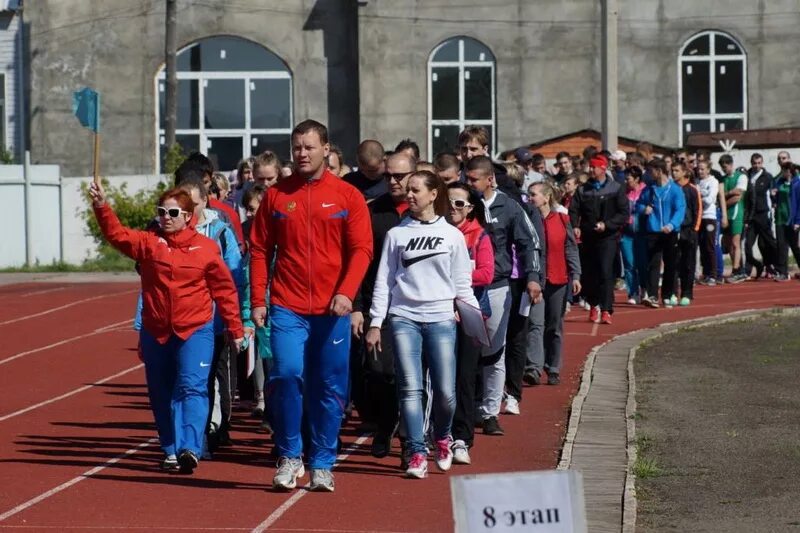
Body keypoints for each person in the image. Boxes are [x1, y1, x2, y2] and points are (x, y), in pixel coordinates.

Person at [249, 119, 372, 493]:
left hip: (332, 310)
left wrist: (347, 293)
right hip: (287, 305)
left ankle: (322, 462)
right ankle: (289, 455)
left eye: (309, 147)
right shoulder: (275, 196)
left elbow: (362, 249)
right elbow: (258, 249)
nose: (302, 153)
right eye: (297, 147)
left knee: (328, 385)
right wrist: (258, 299)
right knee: (285, 374)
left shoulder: (347, 196)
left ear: (326, 149)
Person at [89, 182, 244, 474]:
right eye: (162, 212)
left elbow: (225, 290)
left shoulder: (206, 249)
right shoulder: (149, 243)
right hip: (156, 330)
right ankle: (171, 448)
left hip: (196, 329)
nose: (166, 217)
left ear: (188, 216)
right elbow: (116, 234)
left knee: (193, 387)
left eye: (173, 212)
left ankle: (190, 447)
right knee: (162, 392)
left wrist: (235, 328)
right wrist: (101, 206)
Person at [366, 170, 479, 479]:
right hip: (404, 318)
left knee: (445, 392)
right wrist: (376, 322)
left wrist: (475, 321)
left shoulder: (452, 235)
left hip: (442, 318)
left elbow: (462, 285)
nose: (410, 194)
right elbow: (383, 281)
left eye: (416, 189)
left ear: (433, 194)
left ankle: (441, 436)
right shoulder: (396, 235)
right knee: (410, 389)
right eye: (408, 189)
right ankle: (416, 451)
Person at [464, 155, 543, 437]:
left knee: (494, 350)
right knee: (467, 349)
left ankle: (490, 412)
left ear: (489, 179)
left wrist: (533, 278)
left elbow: (529, 243)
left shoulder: (509, 206)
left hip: (498, 286)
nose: (469, 184)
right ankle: (468, 407)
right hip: (464, 287)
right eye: (467, 178)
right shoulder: (461, 204)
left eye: (474, 180)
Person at [351, 152, 415, 460]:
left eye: (400, 176)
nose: (393, 181)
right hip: (380, 307)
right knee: (378, 371)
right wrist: (357, 306)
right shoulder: (373, 213)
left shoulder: (427, 214)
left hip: (418, 308)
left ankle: (408, 438)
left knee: (410, 375)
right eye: (388, 175)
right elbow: (360, 262)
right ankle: (385, 423)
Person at [177, 179, 244, 451]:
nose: (189, 211)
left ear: (205, 201)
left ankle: (215, 429)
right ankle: (192, 438)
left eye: (193, 205)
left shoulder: (219, 232)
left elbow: (234, 277)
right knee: (188, 381)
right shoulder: (167, 234)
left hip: (214, 321)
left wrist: (239, 319)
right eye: (184, 206)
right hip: (181, 321)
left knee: (213, 379)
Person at [446, 182, 494, 465]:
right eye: (449, 202)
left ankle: (462, 436)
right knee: (439, 380)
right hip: (438, 313)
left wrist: (454, 276)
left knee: (464, 377)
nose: (453, 209)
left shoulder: (479, 236)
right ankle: (437, 432)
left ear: (470, 209)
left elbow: (487, 274)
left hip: (470, 314)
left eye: (459, 204)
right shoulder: (436, 232)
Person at [526, 182, 580, 385]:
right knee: (535, 324)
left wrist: (576, 275)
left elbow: (571, 248)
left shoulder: (561, 219)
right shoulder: (528, 221)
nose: (530, 198)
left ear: (546, 197)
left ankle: (553, 367)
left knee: (554, 326)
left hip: (558, 279)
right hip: (536, 281)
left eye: (533, 195)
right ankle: (533, 368)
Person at [568, 155, 628, 324]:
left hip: (608, 237)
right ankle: (593, 305)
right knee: (590, 273)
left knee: (606, 271)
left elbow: (623, 213)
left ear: (603, 168)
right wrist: (575, 226)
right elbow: (574, 210)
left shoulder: (616, 188)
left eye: (594, 167)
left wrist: (607, 224)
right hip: (588, 236)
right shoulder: (583, 190)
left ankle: (607, 309)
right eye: (590, 167)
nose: (591, 170)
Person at [635, 159, 685, 308]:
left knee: (670, 264)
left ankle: (668, 294)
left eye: (651, 171)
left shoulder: (675, 189)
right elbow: (638, 204)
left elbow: (680, 209)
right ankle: (652, 296)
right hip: (653, 231)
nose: (649, 175)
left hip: (670, 232)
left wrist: (672, 224)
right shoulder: (649, 190)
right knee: (653, 264)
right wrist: (644, 209)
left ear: (659, 171)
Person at [671, 162, 702, 306]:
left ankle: (687, 293)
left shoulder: (692, 189)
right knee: (674, 262)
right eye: (672, 170)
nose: (674, 173)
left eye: (677, 170)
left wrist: (695, 229)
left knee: (688, 264)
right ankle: (672, 293)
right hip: (674, 230)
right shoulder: (671, 188)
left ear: (684, 172)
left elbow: (698, 210)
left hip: (689, 231)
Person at [743, 153, 778, 279]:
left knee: (767, 244)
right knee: (747, 244)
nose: (756, 165)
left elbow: (773, 194)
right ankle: (751, 268)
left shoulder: (768, 177)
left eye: (759, 163)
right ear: (751, 163)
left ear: (762, 163)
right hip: (751, 216)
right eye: (754, 163)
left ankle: (778, 266)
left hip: (763, 214)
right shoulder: (747, 175)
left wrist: (774, 204)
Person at [719, 154, 748, 283]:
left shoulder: (741, 177)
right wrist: (728, 194)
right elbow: (720, 197)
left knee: (736, 243)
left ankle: (737, 270)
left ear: (731, 164)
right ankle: (738, 267)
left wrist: (724, 197)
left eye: (726, 166)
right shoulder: (723, 179)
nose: (724, 169)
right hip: (726, 213)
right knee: (727, 243)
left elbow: (738, 196)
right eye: (722, 167)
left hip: (736, 213)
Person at [620, 166, 647, 305]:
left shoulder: (646, 190)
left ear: (636, 179)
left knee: (642, 264)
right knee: (629, 264)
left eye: (628, 178)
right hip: (627, 233)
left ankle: (645, 290)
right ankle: (633, 292)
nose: (626, 181)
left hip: (642, 233)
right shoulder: (624, 192)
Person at [772, 162, 800, 281]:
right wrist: (773, 196)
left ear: (790, 171)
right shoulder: (779, 182)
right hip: (780, 218)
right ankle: (783, 272)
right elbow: (775, 199)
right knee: (781, 246)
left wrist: (798, 221)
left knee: (794, 246)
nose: (783, 172)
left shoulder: (797, 184)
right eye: (782, 170)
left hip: (792, 219)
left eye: (785, 170)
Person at [696, 161, 720, 286]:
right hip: (699, 218)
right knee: (702, 246)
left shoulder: (713, 181)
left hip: (710, 218)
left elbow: (710, 199)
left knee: (710, 246)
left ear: (708, 169)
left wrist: (699, 196)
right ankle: (705, 273)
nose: (700, 171)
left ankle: (713, 275)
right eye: (699, 169)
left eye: (703, 169)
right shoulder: (697, 182)